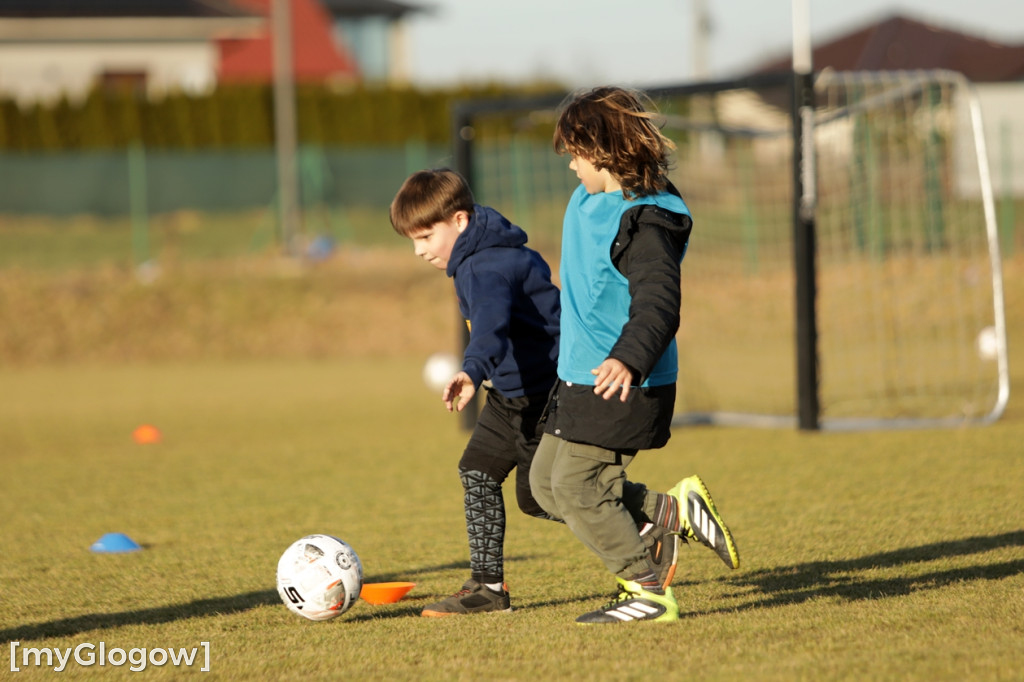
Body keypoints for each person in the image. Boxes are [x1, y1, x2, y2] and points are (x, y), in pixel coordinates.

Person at [389, 168, 677, 616]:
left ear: (460, 221)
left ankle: (654, 513)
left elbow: (490, 330)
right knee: (478, 472)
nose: (419, 250)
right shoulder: (479, 256)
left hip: (545, 394)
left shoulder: (485, 267)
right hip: (511, 394)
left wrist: (470, 371)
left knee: (541, 495)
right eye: (412, 240)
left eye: (425, 236)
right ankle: (488, 589)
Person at [529, 86, 740, 625]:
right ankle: (672, 512)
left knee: (577, 488)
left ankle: (648, 589)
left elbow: (659, 304)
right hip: (579, 377)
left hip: (624, 382)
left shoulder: (647, 220)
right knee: (542, 489)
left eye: (576, 154)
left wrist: (628, 358)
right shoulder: (593, 197)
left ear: (601, 150)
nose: (571, 166)